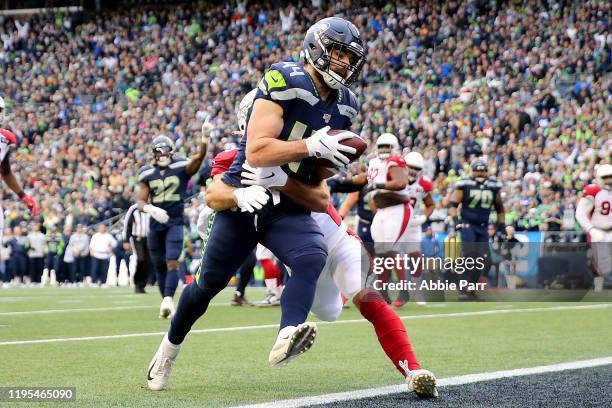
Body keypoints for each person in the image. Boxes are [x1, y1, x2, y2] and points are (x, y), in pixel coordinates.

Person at [147, 17, 366, 391]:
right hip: (244, 198)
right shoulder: (285, 79)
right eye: (338, 53)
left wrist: (323, 166)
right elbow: (257, 151)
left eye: (350, 57)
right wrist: (309, 147)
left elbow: (318, 196)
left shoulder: (346, 106)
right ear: (316, 48)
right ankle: (168, 349)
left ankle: (287, 336)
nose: (345, 64)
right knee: (205, 287)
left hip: (286, 201)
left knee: (312, 254)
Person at [200, 147, 439, 398]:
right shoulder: (233, 160)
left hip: (337, 239)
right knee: (329, 312)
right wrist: (218, 210)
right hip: (305, 261)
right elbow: (216, 192)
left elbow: (330, 186)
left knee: (370, 299)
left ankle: (413, 370)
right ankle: (334, 299)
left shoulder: (300, 145)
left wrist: (286, 180)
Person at [137, 120, 209, 318]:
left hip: (175, 220)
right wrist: (150, 208)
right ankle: (166, 301)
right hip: (155, 222)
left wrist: (204, 140)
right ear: (153, 153)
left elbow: (199, 158)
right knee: (159, 264)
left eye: (165, 150)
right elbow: (140, 201)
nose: (162, 154)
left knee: (172, 262)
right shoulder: (147, 173)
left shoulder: (180, 166)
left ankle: (168, 298)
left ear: (172, 151)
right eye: (158, 151)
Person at [449, 160, 504, 300]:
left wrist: (501, 225)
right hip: (468, 225)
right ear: (472, 171)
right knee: (469, 257)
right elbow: (452, 204)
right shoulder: (465, 184)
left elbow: (499, 208)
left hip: (483, 227)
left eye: (483, 170)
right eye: (477, 170)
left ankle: (471, 290)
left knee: (484, 260)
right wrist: (457, 221)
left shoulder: (493, 185)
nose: (480, 173)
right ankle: (463, 289)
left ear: (487, 172)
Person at [575, 164, 612, 291]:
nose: (609, 180)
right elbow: (580, 213)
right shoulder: (593, 190)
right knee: (600, 265)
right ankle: (600, 288)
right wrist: (591, 229)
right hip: (599, 232)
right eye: (606, 177)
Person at [123, 203, 151, 293]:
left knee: (147, 261)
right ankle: (137, 283)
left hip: (149, 239)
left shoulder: (152, 207)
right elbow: (127, 225)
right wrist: (126, 240)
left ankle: (142, 284)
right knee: (140, 259)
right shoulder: (134, 208)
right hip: (137, 239)